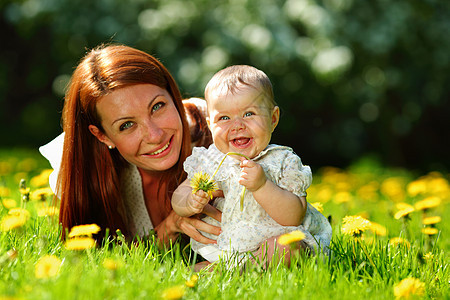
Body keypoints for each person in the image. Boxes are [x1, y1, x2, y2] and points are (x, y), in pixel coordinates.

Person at [39, 44, 220, 246]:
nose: (154, 135)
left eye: (157, 107)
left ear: (173, 95)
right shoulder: (86, 174)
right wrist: (170, 227)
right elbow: (104, 259)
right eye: (127, 125)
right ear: (102, 136)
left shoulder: (217, 126)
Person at [171, 65, 332, 266]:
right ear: (211, 125)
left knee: (288, 248)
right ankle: (230, 268)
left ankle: (236, 272)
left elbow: (293, 216)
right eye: (224, 118)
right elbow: (180, 194)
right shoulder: (211, 159)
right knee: (201, 266)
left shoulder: (282, 160)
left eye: (249, 114)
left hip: (274, 240)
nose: (237, 125)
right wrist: (188, 202)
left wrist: (262, 186)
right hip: (229, 243)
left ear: (273, 119)